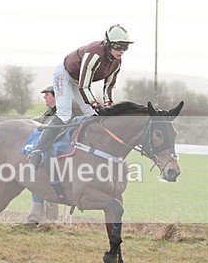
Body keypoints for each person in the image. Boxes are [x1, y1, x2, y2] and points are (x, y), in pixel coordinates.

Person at [28, 24, 133, 168]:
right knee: (64, 115)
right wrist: (97, 105)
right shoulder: (95, 54)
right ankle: (37, 150)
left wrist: (109, 108)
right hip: (64, 75)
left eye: (125, 47)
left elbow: (109, 87)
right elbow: (84, 86)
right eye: (118, 46)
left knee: (95, 117)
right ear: (108, 44)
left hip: (79, 80)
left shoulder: (117, 63)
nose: (121, 51)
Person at [20, 86, 60, 226]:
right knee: (40, 183)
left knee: (48, 183)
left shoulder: (61, 113)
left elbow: (46, 127)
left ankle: (49, 221)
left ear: (56, 96)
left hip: (54, 153)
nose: (45, 97)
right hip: (45, 151)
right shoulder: (50, 112)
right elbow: (39, 121)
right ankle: (38, 219)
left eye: (47, 95)